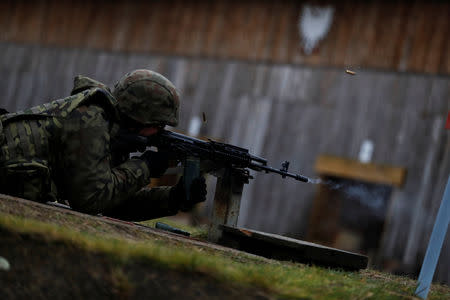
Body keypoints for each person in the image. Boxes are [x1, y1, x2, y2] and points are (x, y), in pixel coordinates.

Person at [0, 69, 206, 220]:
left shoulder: (111, 130)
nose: (159, 132)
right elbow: (91, 199)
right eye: (158, 125)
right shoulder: (91, 120)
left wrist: (173, 198)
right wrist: (145, 166)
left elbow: (114, 204)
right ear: (140, 117)